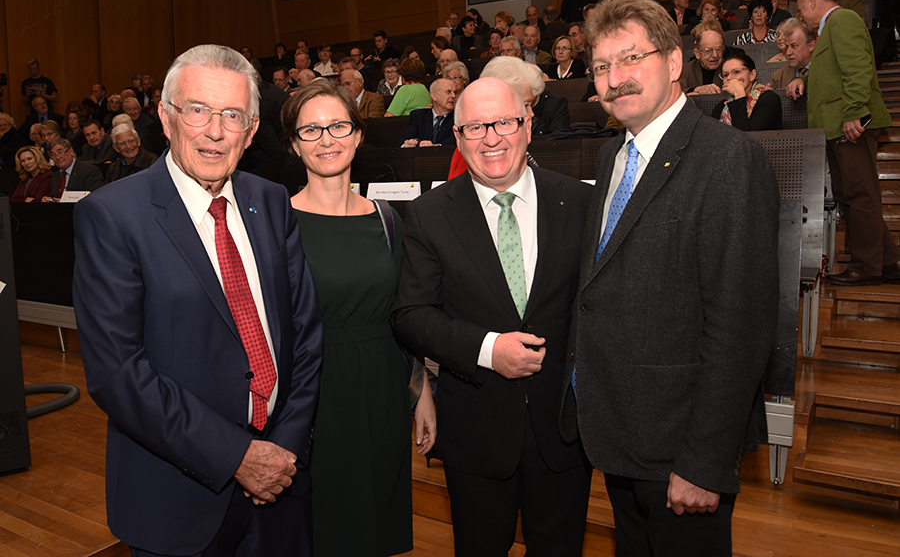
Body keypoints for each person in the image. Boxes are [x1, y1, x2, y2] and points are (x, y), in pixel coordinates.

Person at [72, 44, 324, 556]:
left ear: (251, 131)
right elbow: (118, 371)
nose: (215, 131)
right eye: (198, 110)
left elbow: (305, 332)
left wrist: (283, 448)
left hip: (282, 482)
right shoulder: (112, 215)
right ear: (166, 118)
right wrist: (236, 456)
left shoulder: (271, 201)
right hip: (176, 498)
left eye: (232, 115)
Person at [564, 0, 780, 555]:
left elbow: (741, 326)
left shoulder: (729, 159)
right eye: (603, 66)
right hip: (620, 432)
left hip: (682, 448)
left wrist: (705, 461)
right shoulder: (613, 156)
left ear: (676, 62)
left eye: (632, 59)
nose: (616, 79)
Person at [392, 76, 593, 555]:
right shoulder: (428, 214)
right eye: (476, 127)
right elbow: (411, 315)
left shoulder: (581, 202)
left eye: (504, 122)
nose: (491, 138)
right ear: (458, 137)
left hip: (564, 430)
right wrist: (487, 349)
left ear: (527, 126)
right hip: (476, 433)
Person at [278, 80, 435, 556]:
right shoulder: (277, 224)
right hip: (314, 397)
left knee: (374, 527)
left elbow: (402, 317)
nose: (327, 139)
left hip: (383, 394)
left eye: (338, 125)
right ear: (293, 144)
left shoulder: (387, 219)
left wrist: (421, 391)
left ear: (359, 134)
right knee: (323, 528)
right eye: (311, 130)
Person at [788, 0, 900, 285]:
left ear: (812, 2)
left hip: (849, 124)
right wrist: (805, 81)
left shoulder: (842, 19)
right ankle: (889, 262)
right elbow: (834, 75)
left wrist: (854, 112)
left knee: (859, 194)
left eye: (800, 10)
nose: (801, 17)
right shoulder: (828, 30)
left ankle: (866, 267)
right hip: (837, 126)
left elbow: (858, 67)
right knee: (848, 194)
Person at [712, 54, 783, 130]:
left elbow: (746, 136)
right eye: (726, 75)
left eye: (736, 72)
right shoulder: (720, 107)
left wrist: (739, 96)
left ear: (752, 75)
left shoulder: (769, 99)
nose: (729, 78)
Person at [401, 78, 457, 148]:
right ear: (434, 96)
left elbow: (454, 142)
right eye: (448, 92)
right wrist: (407, 144)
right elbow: (405, 140)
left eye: (454, 92)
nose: (453, 96)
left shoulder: (458, 118)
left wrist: (435, 146)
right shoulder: (418, 116)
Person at [770, 18, 816, 89]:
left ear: (811, 46)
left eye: (794, 46)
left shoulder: (825, 70)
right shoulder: (779, 77)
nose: (788, 53)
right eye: (787, 46)